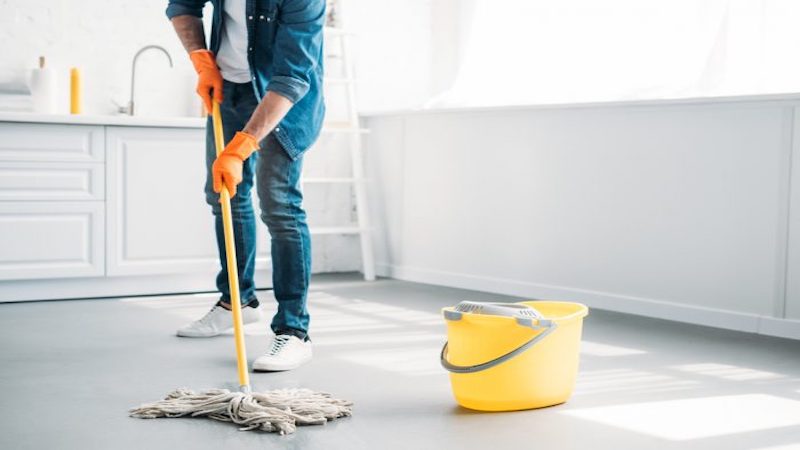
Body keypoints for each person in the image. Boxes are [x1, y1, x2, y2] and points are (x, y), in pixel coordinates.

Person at [165, 0, 325, 372]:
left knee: (280, 206)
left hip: (282, 100)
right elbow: (181, 5)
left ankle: (295, 332)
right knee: (223, 196)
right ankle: (237, 303)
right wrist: (201, 59)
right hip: (229, 90)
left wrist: (243, 146)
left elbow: (293, 76)